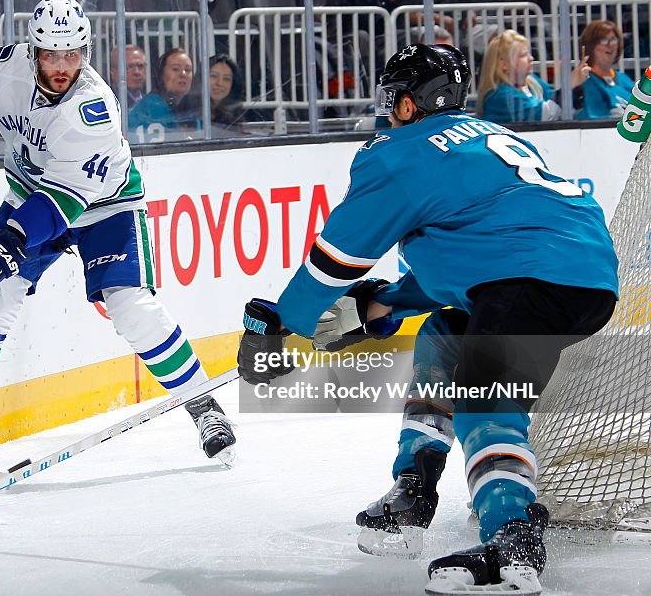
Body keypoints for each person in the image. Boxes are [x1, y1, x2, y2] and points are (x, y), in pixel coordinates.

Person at [237, 43, 617, 596]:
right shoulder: (490, 136)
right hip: (575, 275)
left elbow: (335, 260)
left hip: (528, 281)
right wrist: (384, 304)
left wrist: (279, 324)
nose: (387, 109)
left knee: (486, 397)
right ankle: (413, 488)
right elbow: (477, 248)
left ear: (413, 103)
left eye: (393, 98)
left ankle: (513, 539)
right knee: (441, 338)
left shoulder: (399, 151)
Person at [0, 0, 236, 477]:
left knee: (130, 304)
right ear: (33, 51)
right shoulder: (5, 69)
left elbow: (62, 205)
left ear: (84, 51)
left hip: (103, 205)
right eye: (51, 55)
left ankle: (203, 407)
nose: (63, 66)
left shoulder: (94, 109)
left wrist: (6, 245)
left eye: (72, 55)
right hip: (31, 191)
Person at [477, 30, 590, 123]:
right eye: (523, 55)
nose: (531, 58)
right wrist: (569, 86)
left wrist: (576, 87)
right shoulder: (499, 95)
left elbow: (554, 100)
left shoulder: (532, 82)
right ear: (504, 64)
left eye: (529, 53)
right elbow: (544, 115)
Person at [128, 47, 199, 143]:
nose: (183, 74)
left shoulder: (189, 110)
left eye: (188, 70)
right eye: (175, 69)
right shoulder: (152, 107)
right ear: (161, 74)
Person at [575, 19, 633, 120]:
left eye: (613, 39)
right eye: (603, 40)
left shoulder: (623, 78)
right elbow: (594, 118)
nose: (609, 45)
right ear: (591, 45)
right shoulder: (585, 81)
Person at [206, 53, 246, 131]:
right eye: (214, 76)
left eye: (226, 79)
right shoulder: (190, 112)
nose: (219, 83)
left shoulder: (234, 116)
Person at [109, 45, 148, 110]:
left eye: (140, 66)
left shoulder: (151, 102)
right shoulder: (108, 102)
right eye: (130, 67)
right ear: (113, 71)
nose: (137, 72)